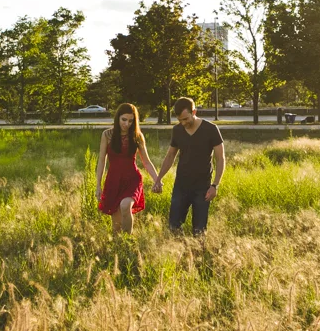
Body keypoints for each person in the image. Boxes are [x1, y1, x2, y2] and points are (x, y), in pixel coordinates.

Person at [153, 97, 225, 234]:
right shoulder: (177, 130)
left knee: (199, 230)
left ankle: (198, 253)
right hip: (181, 185)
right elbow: (170, 156)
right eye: (180, 120)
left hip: (203, 187)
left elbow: (220, 158)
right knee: (174, 226)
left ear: (194, 111)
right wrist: (158, 179)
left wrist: (215, 185)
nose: (183, 123)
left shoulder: (211, 129)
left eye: (186, 119)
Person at [96, 103, 159, 235]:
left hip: (132, 179)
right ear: (117, 118)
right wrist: (98, 186)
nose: (127, 124)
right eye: (124, 119)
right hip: (113, 180)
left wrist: (157, 180)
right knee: (116, 225)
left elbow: (146, 161)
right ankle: (119, 248)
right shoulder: (107, 135)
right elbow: (102, 160)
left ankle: (128, 240)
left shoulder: (137, 136)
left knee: (125, 206)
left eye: (131, 121)